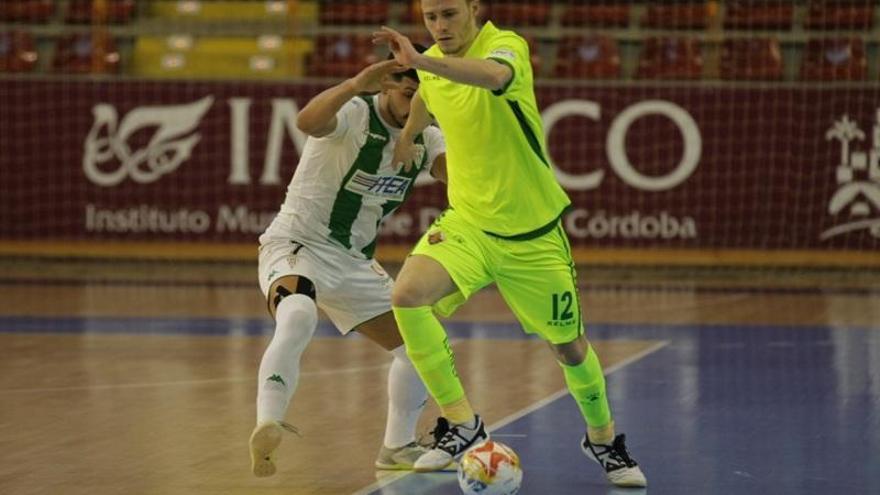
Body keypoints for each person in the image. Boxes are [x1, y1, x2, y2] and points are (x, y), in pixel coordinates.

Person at [372, 0, 647, 487]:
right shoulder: (433, 66)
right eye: (431, 16)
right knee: (406, 297)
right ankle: (461, 422)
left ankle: (602, 439)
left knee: (569, 347)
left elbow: (492, 77)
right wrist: (409, 136)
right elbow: (427, 97)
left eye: (450, 14)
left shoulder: (504, 46)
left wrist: (420, 60)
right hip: (468, 226)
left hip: (531, 236)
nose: (439, 26)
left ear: (474, 9)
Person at [249, 51, 448, 477]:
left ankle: (397, 447)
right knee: (298, 313)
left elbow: (461, 178)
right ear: (388, 86)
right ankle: (267, 423)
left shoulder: (428, 137)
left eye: (423, 97)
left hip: (354, 262)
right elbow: (306, 123)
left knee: (420, 346)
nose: (414, 103)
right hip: (297, 243)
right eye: (407, 92)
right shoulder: (356, 114)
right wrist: (355, 84)